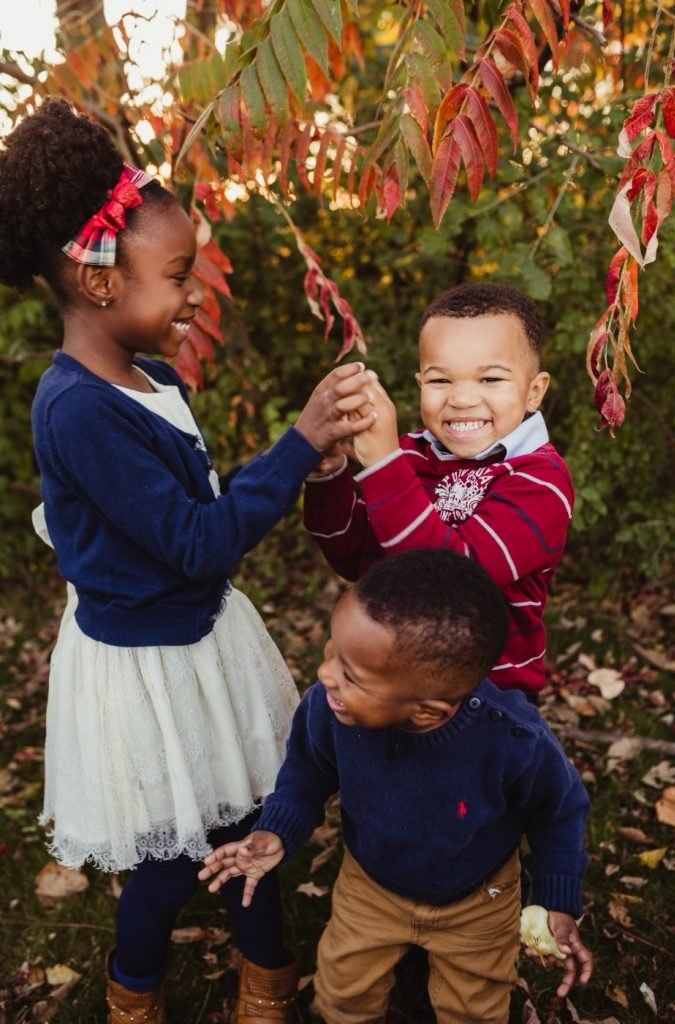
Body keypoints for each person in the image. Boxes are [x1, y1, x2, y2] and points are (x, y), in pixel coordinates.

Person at [0, 98, 379, 1024]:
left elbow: (196, 519)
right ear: (98, 286)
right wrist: (294, 448)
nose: (196, 294)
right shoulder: (77, 410)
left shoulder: (156, 378)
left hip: (202, 643)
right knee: (171, 862)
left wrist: (309, 461)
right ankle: (134, 994)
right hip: (146, 671)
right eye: (178, 275)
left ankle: (268, 982)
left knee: (250, 826)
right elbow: (196, 540)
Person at [199, 548, 593, 1024]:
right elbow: (306, 772)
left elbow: (559, 810)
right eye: (331, 652)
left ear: (428, 711)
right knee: (343, 991)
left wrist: (556, 895)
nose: (325, 675)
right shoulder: (329, 710)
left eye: (350, 673)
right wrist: (277, 830)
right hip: (371, 885)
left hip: (479, 897)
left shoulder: (511, 739)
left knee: (474, 1008)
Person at [303, 281, 574, 698]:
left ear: (533, 390)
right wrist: (329, 475)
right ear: (419, 383)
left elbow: (454, 583)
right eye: (441, 380)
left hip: (485, 697)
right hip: (388, 684)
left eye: (490, 379)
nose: (462, 398)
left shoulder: (540, 482)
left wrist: (382, 465)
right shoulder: (410, 454)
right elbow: (355, 558)